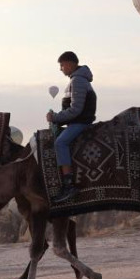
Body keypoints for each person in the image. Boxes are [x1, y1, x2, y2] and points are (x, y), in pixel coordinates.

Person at [46, 51, 95, 204]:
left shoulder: (78, 81)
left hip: (80, 122)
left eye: (62, 65)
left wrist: (55, 117)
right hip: (77, 121)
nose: (61, 69)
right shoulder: (78, 79)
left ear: (70, 63)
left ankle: (69, 185)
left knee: (60, 143)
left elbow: (76, 109)